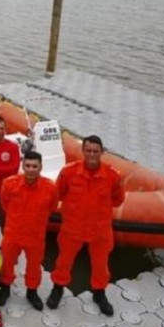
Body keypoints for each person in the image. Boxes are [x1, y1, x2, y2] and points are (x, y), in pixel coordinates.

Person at [45, 135, 125, 316]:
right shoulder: (69, 173)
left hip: (100, 229)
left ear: (102, 153)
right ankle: (58, 288)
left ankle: (99, 293)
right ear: (83, 152)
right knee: (64, 261)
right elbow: (60, 193)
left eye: (95, 151)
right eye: (88, 151)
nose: (91, 154)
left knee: (101, 264)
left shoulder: (112, 176)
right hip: (73, 227)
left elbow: (118, 199)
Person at [0, 151, 58, 310]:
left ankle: (32, 291)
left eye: (34, 166)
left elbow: (52, 207)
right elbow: (5, 204)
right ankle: (5, 289)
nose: (31, 169)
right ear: (23, 166)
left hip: (35, 236)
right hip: (13, 233)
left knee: (34, 266)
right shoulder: (9, 184)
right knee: (8, 263)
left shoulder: (50, 188)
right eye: (28, 166)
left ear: (41, 167)